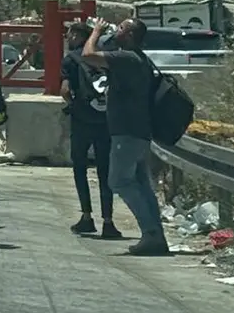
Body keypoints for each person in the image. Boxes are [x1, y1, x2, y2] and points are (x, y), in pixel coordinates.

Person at [82, 18, 169, 256]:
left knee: (119, 181)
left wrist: (97, 32)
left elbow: (88, 55)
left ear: (129, 35)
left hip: (127, 133)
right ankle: (156, 236)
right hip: (139, 131)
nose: (115, 30)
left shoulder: (127, 58)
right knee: (141, 184)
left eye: (120, 28)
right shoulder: (137, 59)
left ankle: (151, 234)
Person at [60, 21, 120, 240]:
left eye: (69, 34)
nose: (67, 38)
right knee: (105, 171)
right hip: (104, 121)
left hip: (82, 121)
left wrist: (72, 105)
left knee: (80, 168)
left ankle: (87, 216)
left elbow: (65, 89)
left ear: (77, 36)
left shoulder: (71, 60)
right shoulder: (104, 57)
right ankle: (108, 221)